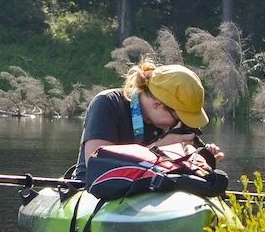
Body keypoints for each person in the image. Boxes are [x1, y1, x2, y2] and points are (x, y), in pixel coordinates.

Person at [73, 59, 222, 178]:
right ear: (157, 105)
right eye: (179, 118)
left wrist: (197, 160)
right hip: (93, 190)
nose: (179, 124)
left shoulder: (166, 121)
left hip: (147, 190)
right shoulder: (107, 104)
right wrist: (159, 148)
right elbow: (96, 165)